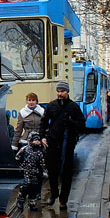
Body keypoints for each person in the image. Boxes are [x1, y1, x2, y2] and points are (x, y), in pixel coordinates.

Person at [40, 80, 86, 209]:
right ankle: (54, 194)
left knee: (66, 172)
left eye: (62, 91)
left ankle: (63, 200)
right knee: (52, 170)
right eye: (58, 91)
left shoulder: (73, 107)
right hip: (53, 142)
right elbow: (44, 122)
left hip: (68, 143)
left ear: (67, 92)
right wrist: (43, 136)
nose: (60, 94)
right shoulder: (51, 105)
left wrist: (71, 122)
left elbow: (82, 124)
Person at [14, 133, 46, 213]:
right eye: (35, 140)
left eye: (38, 140)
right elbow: (17, 158)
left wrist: (45, 171)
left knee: (34, 188)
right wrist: (17, 168)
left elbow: (42, 163)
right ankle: (20, 202)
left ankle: (32, 204)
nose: (37, 142)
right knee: (24, 187)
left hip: (35, 173)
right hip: (25, 172)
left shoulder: (39, 152)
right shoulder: (24, 149)